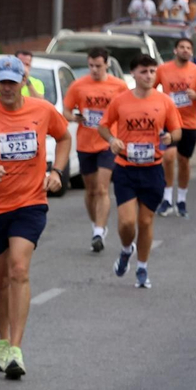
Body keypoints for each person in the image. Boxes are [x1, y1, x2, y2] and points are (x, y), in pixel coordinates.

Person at [0, 56, 70, 380]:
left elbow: (64, 137)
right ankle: (3, 341)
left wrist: (58, 171)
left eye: (13, 81)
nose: (7, 87)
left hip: (30, 202)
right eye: (2, 81)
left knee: (19, 268)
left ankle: (17, 349)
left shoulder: (42, 110)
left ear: (24, 82)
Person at [97, 54, 182, 289]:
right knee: (126, 223)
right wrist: (113, 140)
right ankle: (126, 250)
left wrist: (169, 136)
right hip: (126, 168)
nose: (149, 76)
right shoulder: (120, 101)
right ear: (133, 73)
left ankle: (142, 267)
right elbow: (103, 126)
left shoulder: (164, 101)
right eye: (144, 71)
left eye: (153, 72)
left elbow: (177, 132)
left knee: (145, 222)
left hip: (153, 168)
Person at [63, 47, 128, 252]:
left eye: (98, 66)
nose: (94, 70)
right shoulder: (78, 85)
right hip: (85, 143)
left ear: (107, 64)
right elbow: (65, 110)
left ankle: (99, 231)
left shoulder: (119, 86)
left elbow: (127, 110)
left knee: (101, 188)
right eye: (90, 65)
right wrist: (74, 117)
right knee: (90, 191)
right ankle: (96, 226)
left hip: (108, 143)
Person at [156, 36, 196, 217]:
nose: (185, 50)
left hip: (189, 123)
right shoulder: (163, 69)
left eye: (188, 48)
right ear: (175, 50)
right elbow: (151, 87)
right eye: (182, 47)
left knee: (183, 161)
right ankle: (166, 198)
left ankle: (181, 199)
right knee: (169, 157)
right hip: (169, 122)